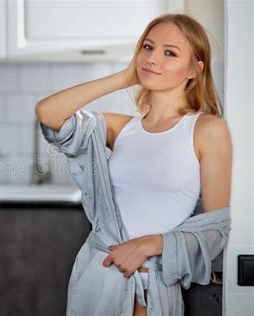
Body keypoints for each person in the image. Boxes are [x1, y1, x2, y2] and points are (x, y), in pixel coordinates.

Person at [35, 13, 232, 316]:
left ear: (195, 69)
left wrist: (151, 244)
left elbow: (216, 227)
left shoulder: (207, 130)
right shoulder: (121, 128)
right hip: (96, 277)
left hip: (148, 283)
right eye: (148, 47)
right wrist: (126, 76)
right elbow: (48, 114)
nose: (154, 58)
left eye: (170, 52)